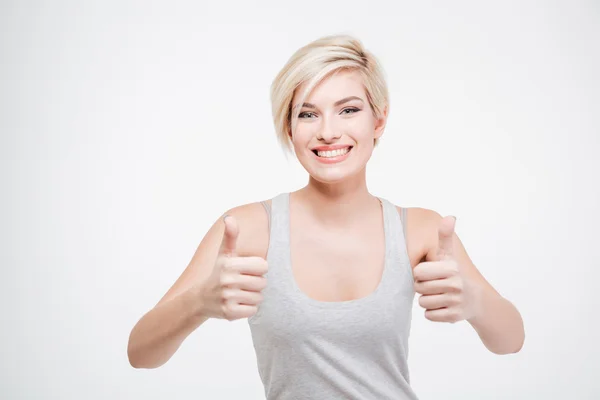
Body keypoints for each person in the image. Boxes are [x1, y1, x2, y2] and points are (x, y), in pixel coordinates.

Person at [127, 34, 525, 399]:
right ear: (289, 127)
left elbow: (511, 340)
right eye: (307, 114)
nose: (328, 132)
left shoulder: (420, 230)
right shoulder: (247, 228)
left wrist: (473, 302)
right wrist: (200, 302)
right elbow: (140, 352)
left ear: (378, 120)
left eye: (348, 110)